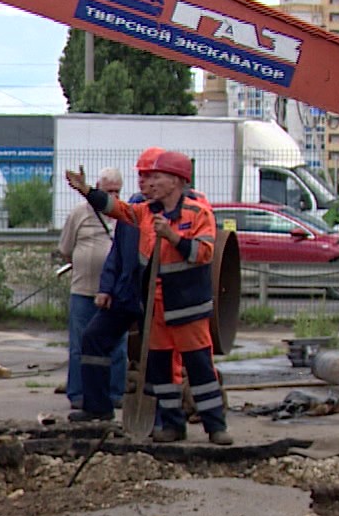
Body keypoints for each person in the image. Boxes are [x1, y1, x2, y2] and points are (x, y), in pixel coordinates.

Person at [66, 149, 230, 445]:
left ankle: (215, 426)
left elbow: (202, 253)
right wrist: (88, 191)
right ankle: (171, 425)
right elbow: (116, 209)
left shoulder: (198, 213)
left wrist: (173, 237)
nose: (150, 183)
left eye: (157, 177)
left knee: (199, 366)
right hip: (155, 309)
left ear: (177, 181)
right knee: (161, 368)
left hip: (187, 307)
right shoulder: (145, 211)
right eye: (148, 177)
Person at [58, 167, 126, 413]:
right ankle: (78, 393)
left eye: (117, 191)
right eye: (109, 191)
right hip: (84, 290)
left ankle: (114, 392)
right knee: (79, 344)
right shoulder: (80, 214)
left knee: (117, 345)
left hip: (115, 293)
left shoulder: (123, 215)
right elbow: (65, 248)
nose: (114, 196)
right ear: (98, 188)